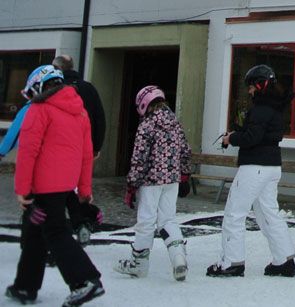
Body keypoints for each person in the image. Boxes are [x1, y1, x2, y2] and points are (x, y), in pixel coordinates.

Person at [7, 65, 104, 306]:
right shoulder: (79, 113)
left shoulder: (40, 109)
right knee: (34, 232)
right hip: (65, 186)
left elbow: (28, 152)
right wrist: (84, 191)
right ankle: (25, 287)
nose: (30, 99)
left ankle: (85, 281)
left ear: (39, 87)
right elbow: (86, 155)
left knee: (55, 232)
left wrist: (22, 190)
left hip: (44, 187)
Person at [207, 64, 295, 278]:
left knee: (234, 213)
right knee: (269, 213)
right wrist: (241, 133)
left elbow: (252, 138)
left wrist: (232, 138)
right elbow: (263, 134)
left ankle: (231, 263)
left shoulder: (260, 109)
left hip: (254, 167)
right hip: (272, 166)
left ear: (260, 85)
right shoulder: (275, 107)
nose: (249, 91)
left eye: (250, 87)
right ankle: (284, 260)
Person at [113, 85, 192, 281]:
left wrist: (131, 186)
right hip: (171, 180)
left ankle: (139, 263)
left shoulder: (147, 126)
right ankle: (178, 258)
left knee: (146, 221)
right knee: (168, 219)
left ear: (144, 104)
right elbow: (185, 150)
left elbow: (139, 158)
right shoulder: (175, 123)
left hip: (150, 181)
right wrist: (184, 174)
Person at [52, 55, 106, 244]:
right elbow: (99, 118)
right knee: (79, 189)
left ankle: (58, 231)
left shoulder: (53, 90)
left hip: (58, 151)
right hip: (84, 148)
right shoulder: (88, 88)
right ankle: (81, 221)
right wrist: (96, 146)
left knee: (59, 191)